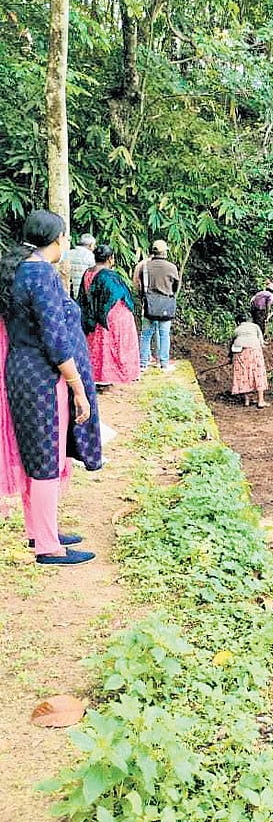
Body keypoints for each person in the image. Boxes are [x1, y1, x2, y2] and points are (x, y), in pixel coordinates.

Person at [0, 210, 100, 564]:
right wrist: (77, 387)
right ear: (56, 239)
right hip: (43, 375)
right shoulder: (41, 275)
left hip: (21, 370)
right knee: (46, 456)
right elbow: (56, 340)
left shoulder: (19, 271)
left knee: (36, 451)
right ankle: (47, 546)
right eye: (65, 237)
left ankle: (39, 529)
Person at [77, 245, 140, 387]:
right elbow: (117, 297)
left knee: (96, 345)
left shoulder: (87, 272)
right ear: (110, 258)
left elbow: (83, 296)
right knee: (112, 347)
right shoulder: (110, 276)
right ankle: (111, 376)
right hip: (110, 317)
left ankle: (95, 375)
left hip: (92, 316)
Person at [133, 240, 180, 372]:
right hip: (165, 304)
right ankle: (164, 363)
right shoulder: (172, 267)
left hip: (149, 304)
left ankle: (142, 364)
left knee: (146, 334)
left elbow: (140, 285)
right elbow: (175, 287)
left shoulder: (145, 267)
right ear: (164, 252)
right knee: (164, 334)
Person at [230, 317, 269, 408]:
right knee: (258, 373)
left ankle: (247, 401)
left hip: (239, 352)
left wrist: (230, 357)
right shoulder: (255, 327)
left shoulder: (237, 330)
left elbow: (231, 344)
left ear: (238, 322)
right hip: (254, 350)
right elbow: (261, 341)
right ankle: (260, 401)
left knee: (243, 374)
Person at [68, 233, 95, 298]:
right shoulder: (90, 256)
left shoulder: (69, 253)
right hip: (83, 292)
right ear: (90, 245)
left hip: (70, 290)